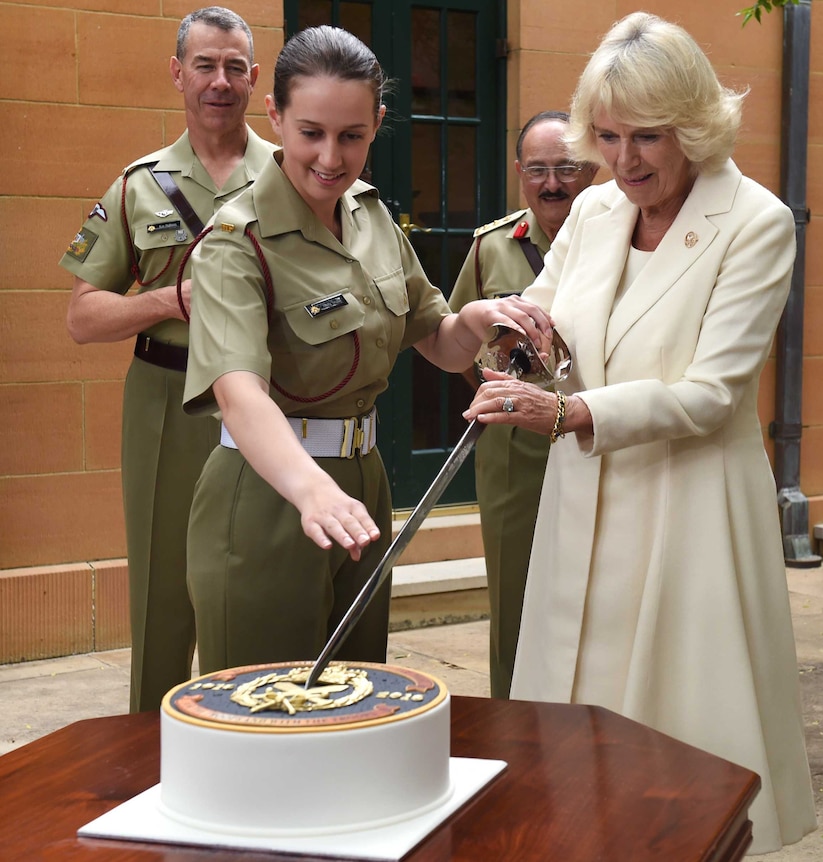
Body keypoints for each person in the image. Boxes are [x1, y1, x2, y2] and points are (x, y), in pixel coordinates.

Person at [463, 12, 816, 854]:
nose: (624, 161)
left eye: (648, 137)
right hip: (582, 498)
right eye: (609, 136)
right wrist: (514, 332)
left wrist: (573, 412)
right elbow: (546, 306)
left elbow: (712, 393)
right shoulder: (592, 211)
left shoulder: (756, 224)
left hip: (687, 503)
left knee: (680, 727)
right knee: (570, 716)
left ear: (694, 126)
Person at [181, 26, 553, 675]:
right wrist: (312, 491)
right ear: (276, 116)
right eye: (311, 133)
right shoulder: (235, 241)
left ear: (378, 122)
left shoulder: (372, 216)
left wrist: (476, 318)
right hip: (272, 495)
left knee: (353, 699)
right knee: (269, 712)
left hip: (364, 486)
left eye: (352, 136)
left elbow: (435, 340)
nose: (331, 156)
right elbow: (239, 394)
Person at [61, 7, 277, 713]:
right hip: (164, 400)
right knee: (161, 587)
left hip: (266, 402)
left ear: (255, 78)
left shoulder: (289, 177)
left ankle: (253, 730)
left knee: (257, 580)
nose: (221, 81)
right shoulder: (139, 185)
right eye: (206, 65)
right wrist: (167, 301)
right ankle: (147, 750)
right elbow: (82, 317)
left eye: (235, 67)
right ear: (177, 73)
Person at [448, 111, 597, 698]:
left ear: (591, 170)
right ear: (519, 173)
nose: (552, 183)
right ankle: (512, 720)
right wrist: (497, 397)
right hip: (513, 454)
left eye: (566, 168)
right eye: (537, 169)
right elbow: (456, 335)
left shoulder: (620, 240)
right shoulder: (490, 246)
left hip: (591, 437)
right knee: (515, 591)